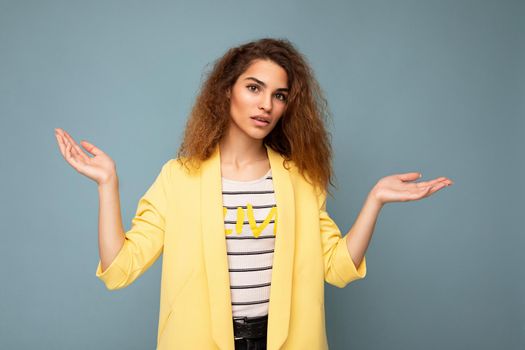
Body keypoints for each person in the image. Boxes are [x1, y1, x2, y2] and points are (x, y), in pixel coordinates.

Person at [54, 37, 453, 350]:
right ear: (227, 91)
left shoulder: (300, 179)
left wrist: (375, 201)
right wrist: (108, 185)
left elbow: (337, 268)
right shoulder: (179, 178)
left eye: (279, 95)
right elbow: (119, 269)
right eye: (254, 87)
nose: (266, 104)